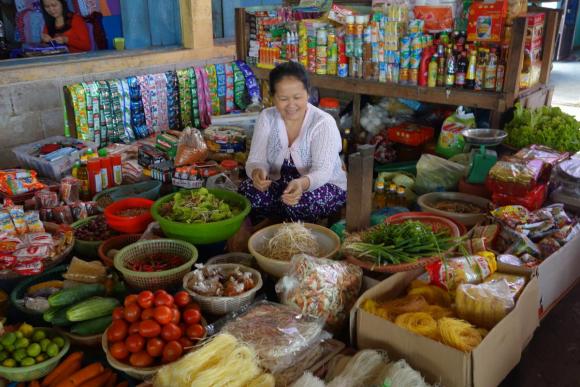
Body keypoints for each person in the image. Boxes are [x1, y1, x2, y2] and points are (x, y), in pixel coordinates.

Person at [239, 61, 347, 223]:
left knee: (297, 205)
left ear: (308, 93)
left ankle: (283, 231)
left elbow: (322, 172)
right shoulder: (267, 117)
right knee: (248, 192)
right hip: (280, 184)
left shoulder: (322, 123)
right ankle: (265, 229)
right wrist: (257, 173)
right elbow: (256, 160)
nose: (291, 105)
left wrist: (301, 184)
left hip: (321, 184)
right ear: (272, 97)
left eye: (297, 97)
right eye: (283, 98)